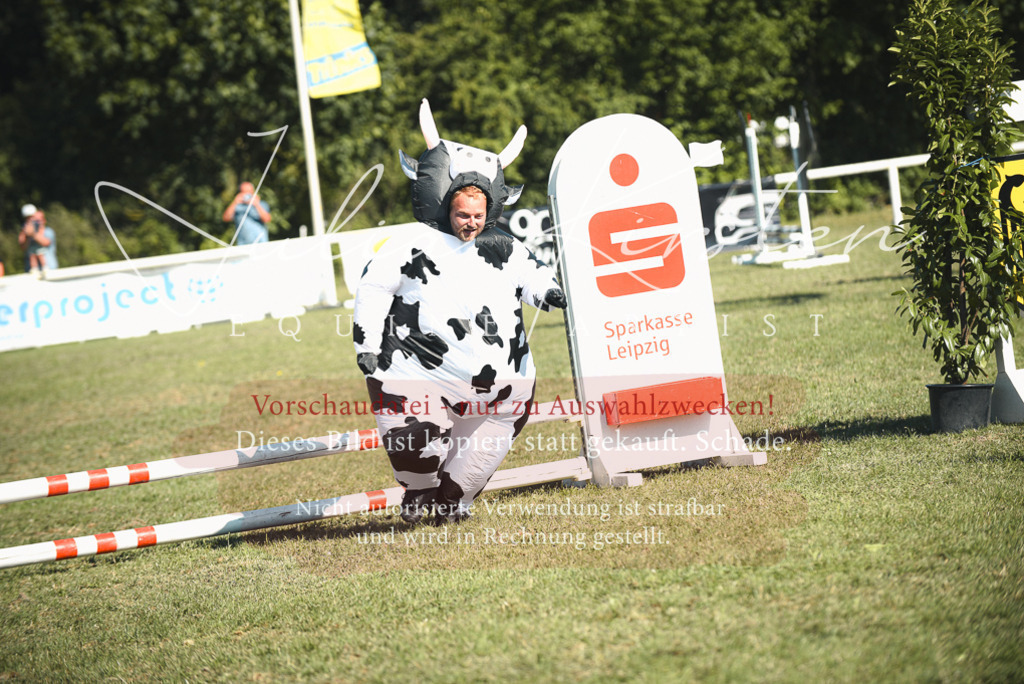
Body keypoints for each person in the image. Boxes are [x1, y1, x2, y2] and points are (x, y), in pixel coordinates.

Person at [353, 99, 566, 525]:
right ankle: (419, 488)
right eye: (462, 214)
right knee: (415, 438)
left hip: (500, 386)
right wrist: (367, 345)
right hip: (419, 371)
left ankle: (453, 500)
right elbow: (373, 288)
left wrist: (549, 292)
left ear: (490, 211)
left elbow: (532, 275)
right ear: (447, 207)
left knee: (483, 450)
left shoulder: (503, 246)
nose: (470, 222)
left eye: (477, 215)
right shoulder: (410, 245)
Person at [18, 204, 58, 275]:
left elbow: (46, 242)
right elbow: (23, 247)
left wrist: (33, 234)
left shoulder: (48, 231)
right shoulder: (24, 232)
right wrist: (27, 235)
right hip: (31, 273)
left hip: (50, 270)